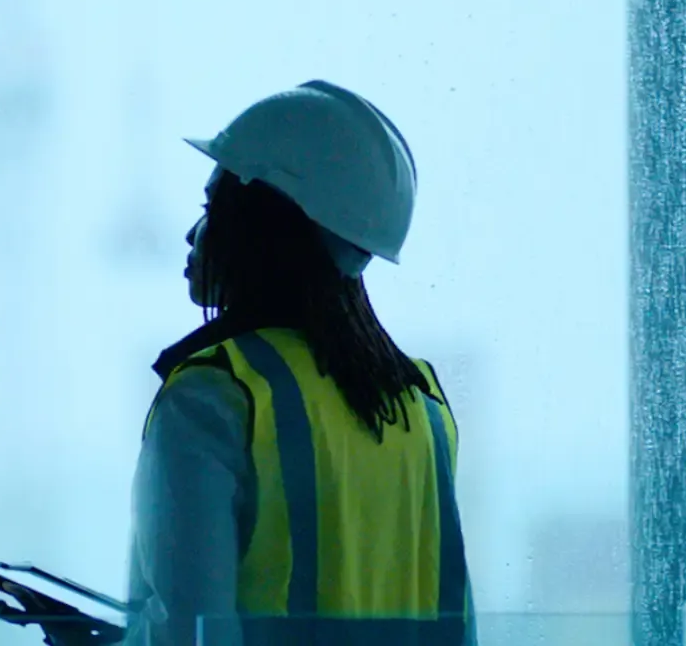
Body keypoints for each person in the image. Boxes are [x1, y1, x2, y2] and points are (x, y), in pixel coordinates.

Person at [127, 80, 471, 645]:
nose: (194, 233)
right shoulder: (423, 406)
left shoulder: (215, 396)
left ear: (266, 228)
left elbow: (188, 634)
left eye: (213, 207)